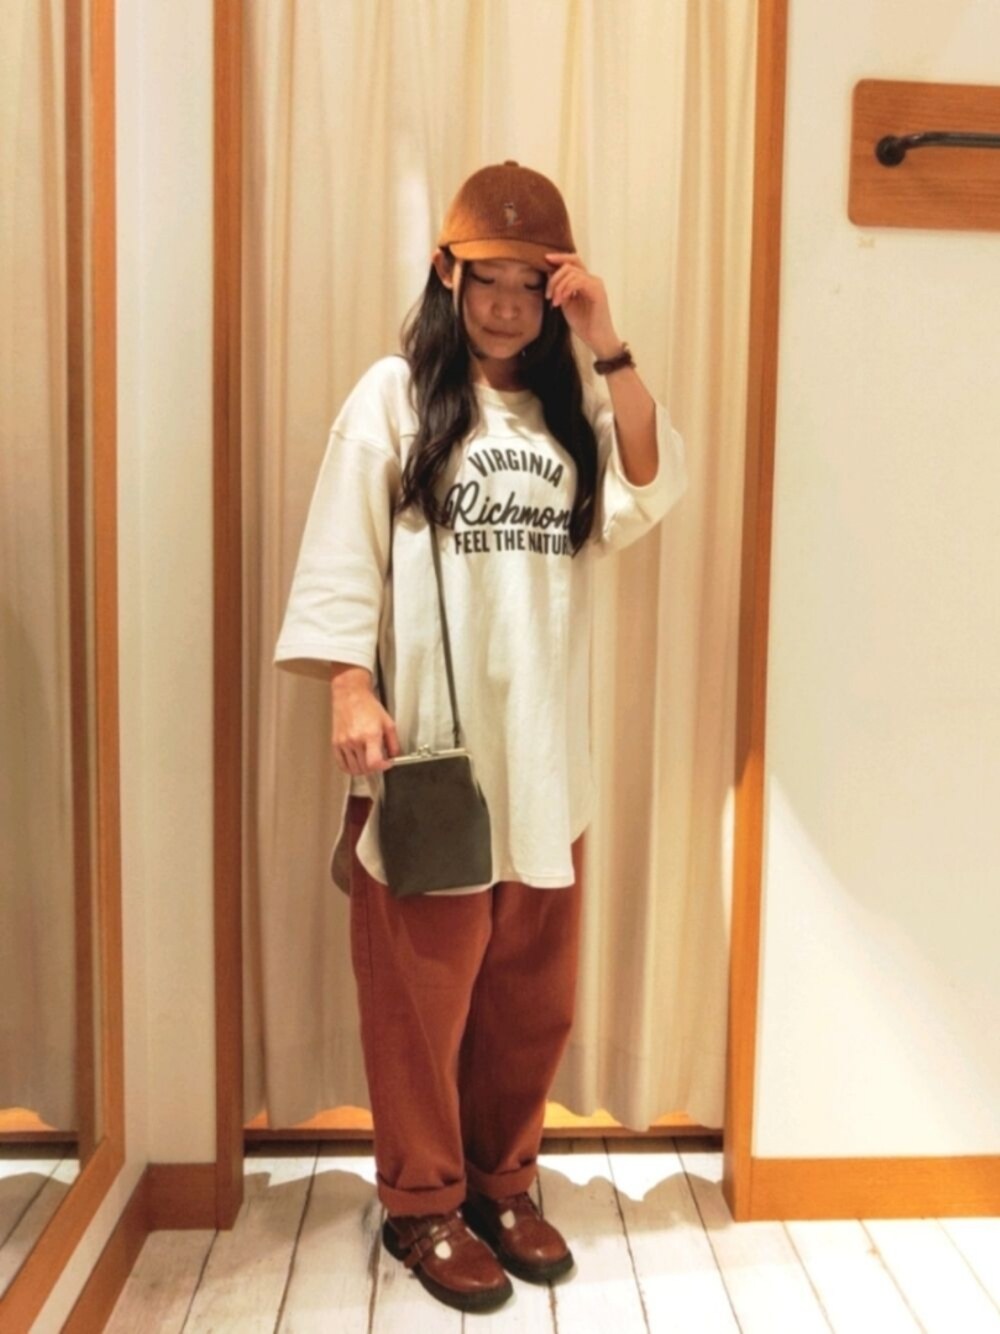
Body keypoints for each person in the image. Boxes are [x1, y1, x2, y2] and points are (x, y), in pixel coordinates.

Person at [274, 160, 688, 1314]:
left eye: (528, 283)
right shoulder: (395, 394)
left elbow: (651, 483)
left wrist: (608, 342)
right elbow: (342, 548)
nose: (504, 305)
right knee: (421, 998)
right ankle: (421, 1202)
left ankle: (503, 1183)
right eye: (485, 279)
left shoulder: (573, 410)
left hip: (546, 756)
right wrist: (349, 686)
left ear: (555, 289)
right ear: (445, 274)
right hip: (434, 763)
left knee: (526, 995)